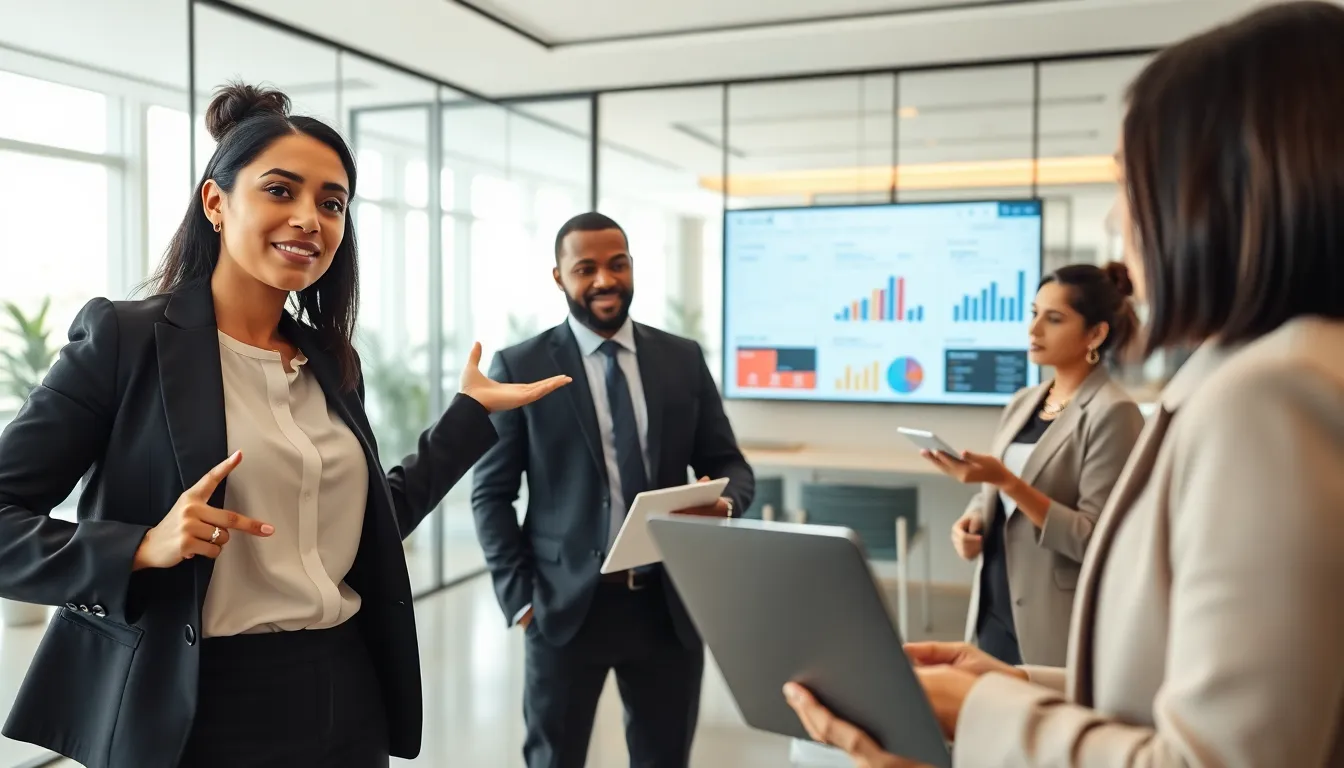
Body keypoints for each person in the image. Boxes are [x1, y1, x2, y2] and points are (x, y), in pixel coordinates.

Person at [784, 2, 1344, 764]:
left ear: (1223, 191)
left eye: (1127, 182)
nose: (1117, 219)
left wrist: (980, 716)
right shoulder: (1248, 383)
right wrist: (1014, 684)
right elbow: (1161, 690)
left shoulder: (1268, 401)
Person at [0, 83, 568, 768]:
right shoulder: (126, 341)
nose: (309, 219)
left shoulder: (327, 360)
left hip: (345, 694)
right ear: (216, 203)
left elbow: (365, 525)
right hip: (196, 705)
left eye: (332, 203)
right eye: (280, 191)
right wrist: (140, 546)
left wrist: (468, 416)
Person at [471, 212, 755, 768]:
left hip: (667, 606)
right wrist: (521, 600)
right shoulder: (520, 365)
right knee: (554, 758)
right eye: (586, 268)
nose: (605, 279)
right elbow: (491, 494)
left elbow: (730, 463)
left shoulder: (681, 358)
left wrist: (723, 503)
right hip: (564, 608)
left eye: (617, 264)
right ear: (559, 277)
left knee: (664, 758)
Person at [931, 263, 1144, 667]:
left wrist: (1008, 482)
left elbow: (1094, 539)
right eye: (1034, 314)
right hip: (994, 603)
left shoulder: (1114, 413)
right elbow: (996, 497)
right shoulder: (1024, 401)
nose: (1034, 329)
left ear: (1095, 334)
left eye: (1054, 319)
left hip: (1051, 618)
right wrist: (974, 521)